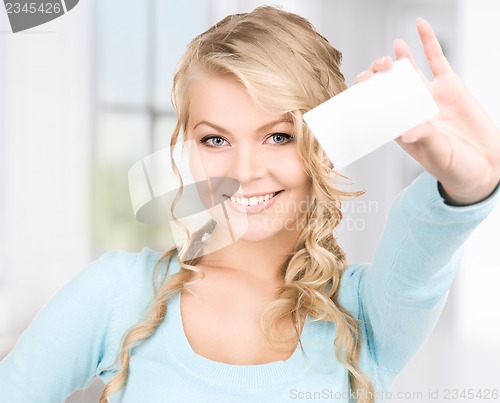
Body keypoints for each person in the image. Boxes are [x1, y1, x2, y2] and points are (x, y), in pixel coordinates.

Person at [1, 5, 499, 403]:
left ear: (321, 146)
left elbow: (425, 244)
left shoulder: (365, 313)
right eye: (215, 140)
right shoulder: (115, 294)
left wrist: (469, 181)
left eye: (278, 136)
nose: (242, 170)